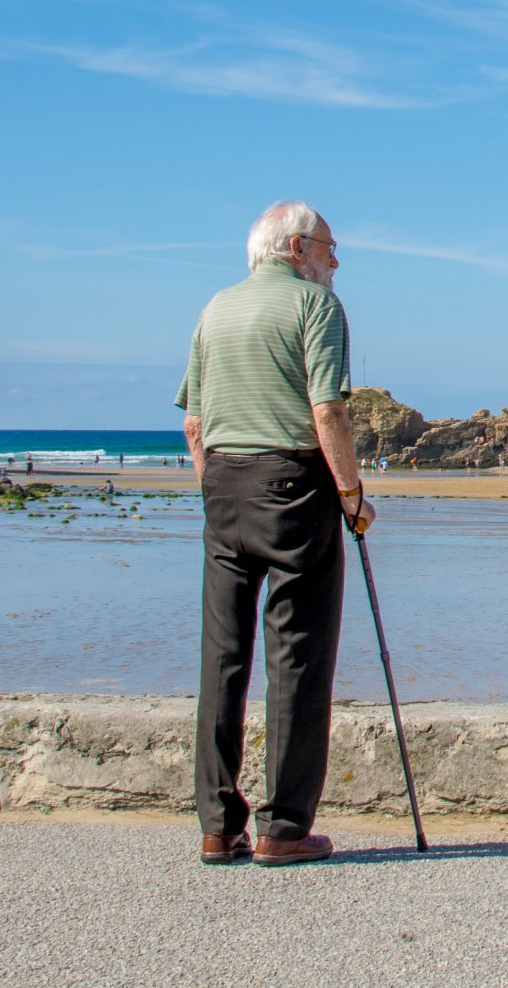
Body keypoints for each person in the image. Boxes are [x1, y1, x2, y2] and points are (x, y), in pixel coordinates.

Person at [180, 199, 372, 869]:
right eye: (329, 245)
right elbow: (328, 409)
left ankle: (216, 822)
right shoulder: (316, 307)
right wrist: (350, 494)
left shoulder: (215, 308)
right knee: (297, 653)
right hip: (293, 480)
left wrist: (215, 485)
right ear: (296, 246)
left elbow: (194, 426)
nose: (335, 259)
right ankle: (283, 825)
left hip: (224, 482)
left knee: (223, 655)